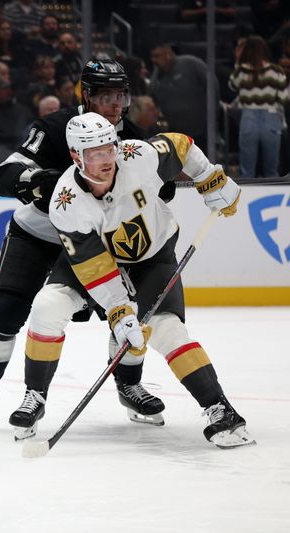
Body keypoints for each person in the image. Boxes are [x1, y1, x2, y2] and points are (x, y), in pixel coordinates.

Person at [0, 59, 172, 434]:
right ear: (86, 94)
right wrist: (39, 180)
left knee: (129, 313)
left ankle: (129, 385)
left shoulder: (131, 138)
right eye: (107, 96)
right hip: (39, 236)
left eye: (122, 95)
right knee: (6, 308)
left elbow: (159, 189)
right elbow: (4, 176)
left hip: (94, 244)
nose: (116, 105)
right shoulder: (53, 128)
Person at [18, 111, 254, 449]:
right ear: (75, 156)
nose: (106, 160)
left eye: (108, 149)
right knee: (47, 306)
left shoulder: (135, 156)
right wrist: (120, 310)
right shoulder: (66, 203)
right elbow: (94, 267)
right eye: (95, 154)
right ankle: (34, 396)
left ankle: (221, 411)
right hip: (96, 259)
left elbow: (181, 145)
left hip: (153, 256)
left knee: (165, 328)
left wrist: (210, 178)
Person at [228, 35, 290, 179]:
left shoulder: (242, 71)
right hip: (271, 118)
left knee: (247, 171)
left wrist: (238, 61)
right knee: (272, 171)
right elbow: (284, 99)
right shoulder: (276, 71)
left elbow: (232, 85)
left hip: (248, 119)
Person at [149, 42, 217, 151]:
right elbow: (152, 95)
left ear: (168, 54)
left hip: (200, 128)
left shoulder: (191, 63)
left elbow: (212, 85)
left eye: (157, 56)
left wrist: (214, 112)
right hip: (175, 133)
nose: (154, 60)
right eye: (152, 57)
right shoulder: (156, 76)